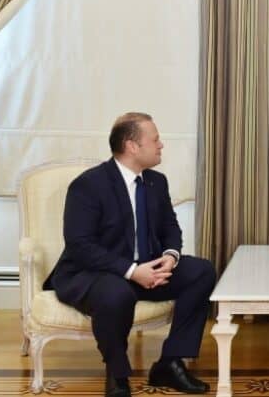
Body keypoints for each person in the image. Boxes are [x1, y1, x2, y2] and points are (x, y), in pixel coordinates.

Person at [43, 113, 216, 397]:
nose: (161, 145)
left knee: (202, 271)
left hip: (145, 268)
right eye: (155, 139)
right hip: (95, 273)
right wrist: (133, 271)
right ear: (132, 146)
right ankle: (118, 375)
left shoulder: (156, 182)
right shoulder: (88, 185)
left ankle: (170, 362)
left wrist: (170, 256)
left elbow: (170, 227)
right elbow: (80, 246)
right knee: (116, 293)